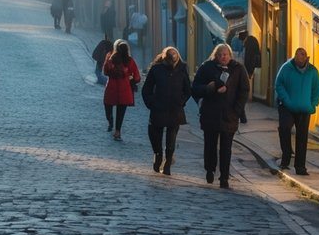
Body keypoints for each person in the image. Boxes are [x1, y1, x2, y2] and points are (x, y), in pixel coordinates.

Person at [191, 42, 249, 189]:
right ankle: (209, 170)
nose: (223, 57)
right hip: (210, 113)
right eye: (220, 55)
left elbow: (244, 91)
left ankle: (224, 177)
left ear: (230, 55)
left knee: (226, 148)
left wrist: (237, 110)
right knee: (210, 145)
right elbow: (195, 88)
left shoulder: (238, 69)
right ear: (215, 56)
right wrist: (208, 89)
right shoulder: (206, 68)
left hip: (229, 115)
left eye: (226, 54)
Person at [141, 46, 191, 175]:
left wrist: (181, 101)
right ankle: (158, 154)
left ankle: (168, 162)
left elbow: (187, 90)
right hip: (158, 108)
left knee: (171, 138)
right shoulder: (156, 69)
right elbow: (146, 89)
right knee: (154, 134)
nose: (173, 62)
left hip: (175, 108)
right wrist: (151, 103)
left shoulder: (182, 69)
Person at [275, 47, 319, 176]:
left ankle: (300, 167)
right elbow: (279, 84)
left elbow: (317, 90)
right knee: (284, 128)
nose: (300, 62)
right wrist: (286, 100)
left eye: (302, 59)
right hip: (287, 107)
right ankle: (286, 157)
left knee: (302, 137)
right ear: (294, 58)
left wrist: (312, 105)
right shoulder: (286, 68)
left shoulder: (312, 71)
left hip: (304, 109)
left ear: (306, 58)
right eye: (297, 59)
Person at [102, 39, 140, 141]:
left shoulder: (110, 58)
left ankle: (110, 121)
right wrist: (130, 78)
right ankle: (117, 131)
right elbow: (137, 77)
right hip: (125, 89)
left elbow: (105, 71)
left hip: (111, 88)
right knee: (121, 112)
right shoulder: (130, 61)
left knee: (108, 106)